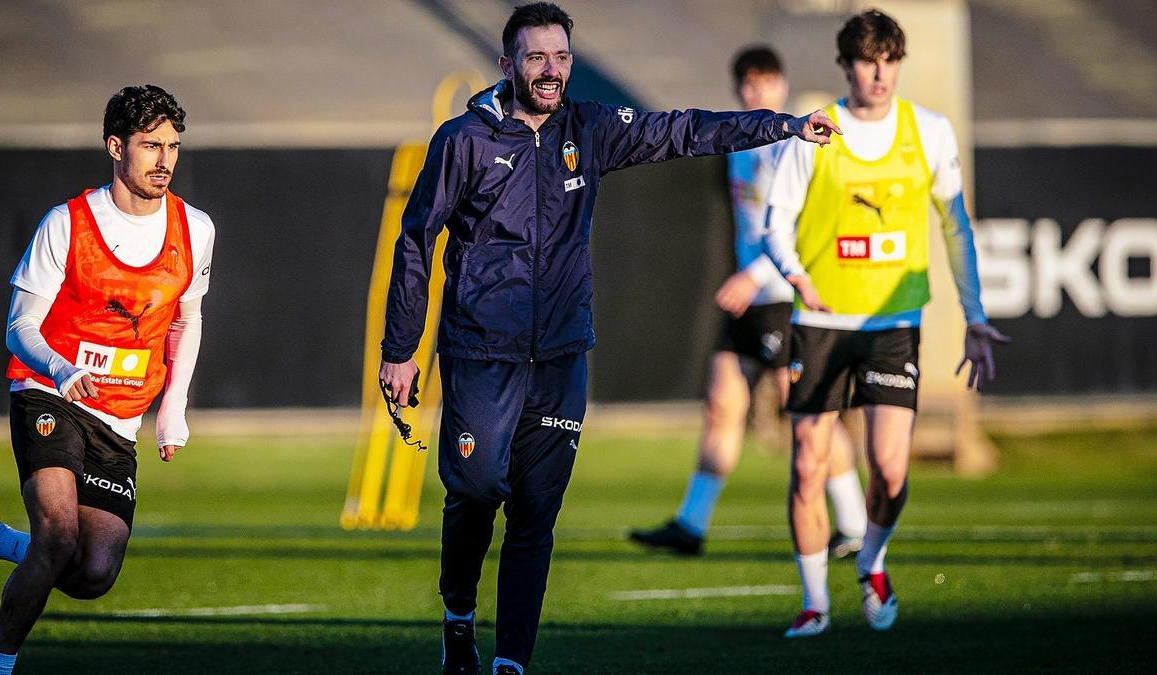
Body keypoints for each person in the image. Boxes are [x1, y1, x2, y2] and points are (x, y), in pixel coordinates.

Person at [376, 4, 839, 672]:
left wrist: (783, 125)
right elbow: (416, 240)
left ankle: (510, 661)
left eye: (561, 57)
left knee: (535, 512)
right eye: (536, 57)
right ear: (508, 65)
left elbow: (683, 130)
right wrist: (400, 348)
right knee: (477, 488)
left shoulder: (589, 128)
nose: (551, 70)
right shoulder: (464, 140)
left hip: (562, 353)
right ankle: (457, 618)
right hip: (481, 351)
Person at [762, 10, 1009, 638]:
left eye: (890, 60)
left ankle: (871, 561)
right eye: (868, 60)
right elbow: (774, 222)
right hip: (820, 322)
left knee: (891, 468)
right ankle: (814, 600)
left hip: (894, 322)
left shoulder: (927, 131)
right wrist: (795, 273)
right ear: (846, 65)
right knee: (808, 464)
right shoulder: (817, 132)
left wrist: (975, 316)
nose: (881, 73)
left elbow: (956, 227)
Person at [0, 85, 215, 674]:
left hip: (119, 417)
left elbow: (187, 319)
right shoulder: (66, 224)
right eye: (151, 145)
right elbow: (20, 326)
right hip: (49, 390)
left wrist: (173, 407)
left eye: (173, 146)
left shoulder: (195, 229)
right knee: (55, 535)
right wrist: (61, 367)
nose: (165, 160)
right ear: (115, 147)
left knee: (92, 572)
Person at [629, 46, 867, 559]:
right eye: (748, 86)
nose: (757, 94)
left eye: (766, 83)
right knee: (723, 406)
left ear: (781, 86)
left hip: (783, 297)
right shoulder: (740, 143)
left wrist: (755, 273)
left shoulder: (798, 142)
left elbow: (805, 230)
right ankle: (691, 525)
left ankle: (854, 522)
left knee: (807, 413)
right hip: (749, 302)